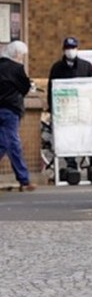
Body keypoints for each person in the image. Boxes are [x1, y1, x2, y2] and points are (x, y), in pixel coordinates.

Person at [47, 36, 92, 176]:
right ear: (63, 50)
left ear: (77, 49)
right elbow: (51, 89)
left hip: (85, 110)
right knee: (67, 137)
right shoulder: (57, 68)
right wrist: (52, 108)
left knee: (89, 136)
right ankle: (71, 164)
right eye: (68, 48)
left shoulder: (86, 66)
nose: (70, 51)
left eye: (72, 48)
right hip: (65, 111)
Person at [0, 40, 36, 192]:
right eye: (22, 55)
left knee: (3, 143)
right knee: (13, 143)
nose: (22, 58)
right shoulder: (17, 68)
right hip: (10, 109)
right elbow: (25, 87)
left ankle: (24, 179)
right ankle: (24, 179)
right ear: (16, 54)